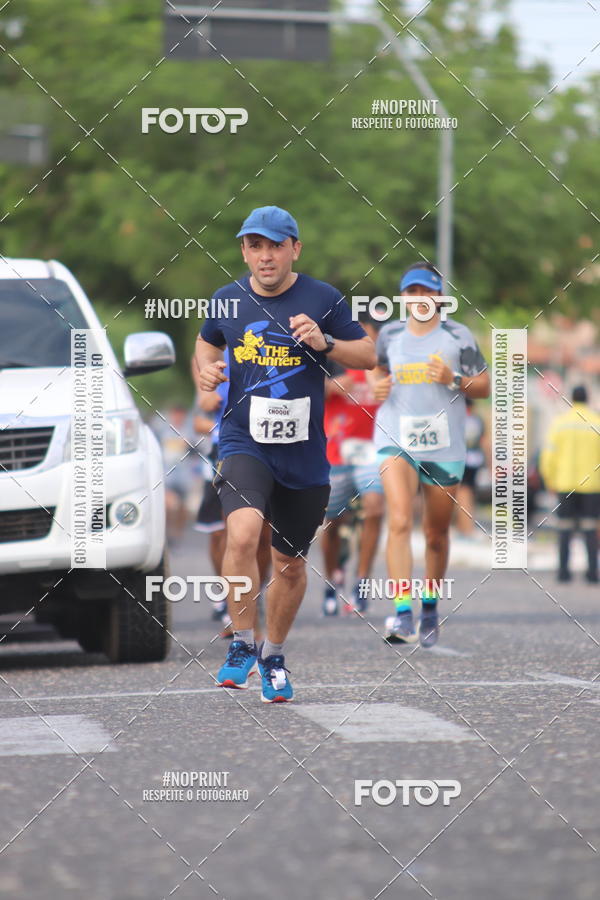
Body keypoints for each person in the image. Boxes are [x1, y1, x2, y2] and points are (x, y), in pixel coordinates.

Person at [195, 205, 375, 701]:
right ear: (244, 252)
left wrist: (326, 340)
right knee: (243, 531)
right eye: (255, 245)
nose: (265, 256)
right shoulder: (227, 300)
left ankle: (273, 654)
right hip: (243, 439)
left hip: (303, 452)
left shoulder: (323, 298)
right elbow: (205, 347)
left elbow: (368, 355)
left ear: (295, 248)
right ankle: (240, 647)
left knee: (290, 564)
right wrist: (206, 374)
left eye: (275, 245)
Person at [373, 261, 490, 646]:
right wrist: (377, 388)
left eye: (426, 291)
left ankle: (429, 606)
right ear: (403, 297)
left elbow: (485, 385)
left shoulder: (458, 335)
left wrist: (453, 379)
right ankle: (402, 612)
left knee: (435, 533)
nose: (419, 298)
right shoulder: (389, 334)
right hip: (396, 437)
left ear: (439, 297)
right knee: (401, 520)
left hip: (444, 443)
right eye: (412, 292)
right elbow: (378, 372)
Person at [192, 349, 271, 639]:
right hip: (227, 448)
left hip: (272, 443)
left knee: (264, 536)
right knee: (228, 534)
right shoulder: (220, 338)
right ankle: (234, 605)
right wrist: (205, 395)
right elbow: (199, 355)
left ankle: (254, 598)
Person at [321, 316, 384, 615]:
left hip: (373, 451)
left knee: (374, 507)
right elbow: (300, 392)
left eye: (367, 337)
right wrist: (330, 386)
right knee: (331, 522)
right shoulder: (330, 358)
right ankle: (333, 580)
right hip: (336, 451)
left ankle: (362, 582)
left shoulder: (384, 364)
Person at [539, 385, 600, 583]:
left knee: (564, 528)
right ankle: (592, 573)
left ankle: (563, 572)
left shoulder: (560, 423)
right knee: (590, 528)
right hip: (591, 485)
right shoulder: (596, 422)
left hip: (564, 483)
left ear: (572, 399)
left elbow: (548, 455)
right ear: (587, 399)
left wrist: (549, 479)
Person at [455, 398, 487, 537]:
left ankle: (466, 528)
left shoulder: (459, 420)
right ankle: (464, 527)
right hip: (475, 460)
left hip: (462, 461)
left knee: (463, 493)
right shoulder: (476, 420)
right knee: (469, 494)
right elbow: (484, 442)